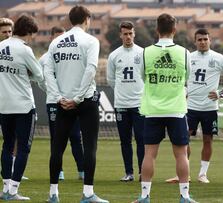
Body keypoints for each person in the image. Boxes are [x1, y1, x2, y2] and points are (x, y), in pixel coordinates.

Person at [44, 5, 108, 203]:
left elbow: (48, 72)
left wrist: (58, 97)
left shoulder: (56, 41)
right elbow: (91, 70)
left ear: (70, 20)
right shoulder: (91, 40)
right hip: (85, 101)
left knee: (57, 148)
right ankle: (88, 193)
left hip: (62, 103)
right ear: (87, 19)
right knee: (89, 147)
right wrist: (78, 98)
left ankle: (53, 194)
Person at [132, 13, 197, 203]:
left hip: (152, 110)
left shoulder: (145, 52)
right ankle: (184, 196)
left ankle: (145, 196)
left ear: (156, 30)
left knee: (149, 154)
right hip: (176, 110)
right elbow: (187, 79)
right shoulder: (184, 52)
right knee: (181, 154)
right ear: (174, 30)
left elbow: (143, 77)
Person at [166, 28, 223, 184]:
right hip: (190, 107)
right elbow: (179, 78)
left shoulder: (218, 58)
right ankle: (184, 174)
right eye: (200, 40)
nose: (203, 42)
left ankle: (202, 174)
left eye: (205, 39)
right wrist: (183, 90)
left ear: (210, 41)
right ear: (195, 41)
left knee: (207, 140)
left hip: (209, 108)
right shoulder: (188, 58)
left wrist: (222, 92)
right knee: (183, 139)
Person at [0, 14, 43, 200]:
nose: (32, 38)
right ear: (28, 31)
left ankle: (5, 187)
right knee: (23, 148)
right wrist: (27, 76)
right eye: (32, 34)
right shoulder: (25, 50)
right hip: (23, 105)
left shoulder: (0, 46)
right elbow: (39, 75)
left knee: (7, 146)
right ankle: (14, 190)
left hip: (3, 105)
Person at [38, 26, 85, 181]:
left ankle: (82, 170)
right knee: (57, 138)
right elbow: (40, 80)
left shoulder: (71, 54)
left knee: (76, 137)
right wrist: (53, 93)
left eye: (63, 37)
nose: (61, 40)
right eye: (57, 37)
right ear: (52, 38)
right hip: (53, 102)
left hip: (72, 100)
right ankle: (59, 171)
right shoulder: (45, 58)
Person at [107, 21, 144, 182]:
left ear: (134, 34)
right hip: (121, 105)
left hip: (140, 104)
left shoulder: (143, 53)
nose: (128, 37)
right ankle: (129, 173)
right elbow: (110, 80)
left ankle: (143, 172)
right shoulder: (114, 55)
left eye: (130, 33)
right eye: (125, 34)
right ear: (120, 35)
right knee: (125, 141)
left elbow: (147, 77)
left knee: (141, 139)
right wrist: (122, 91)